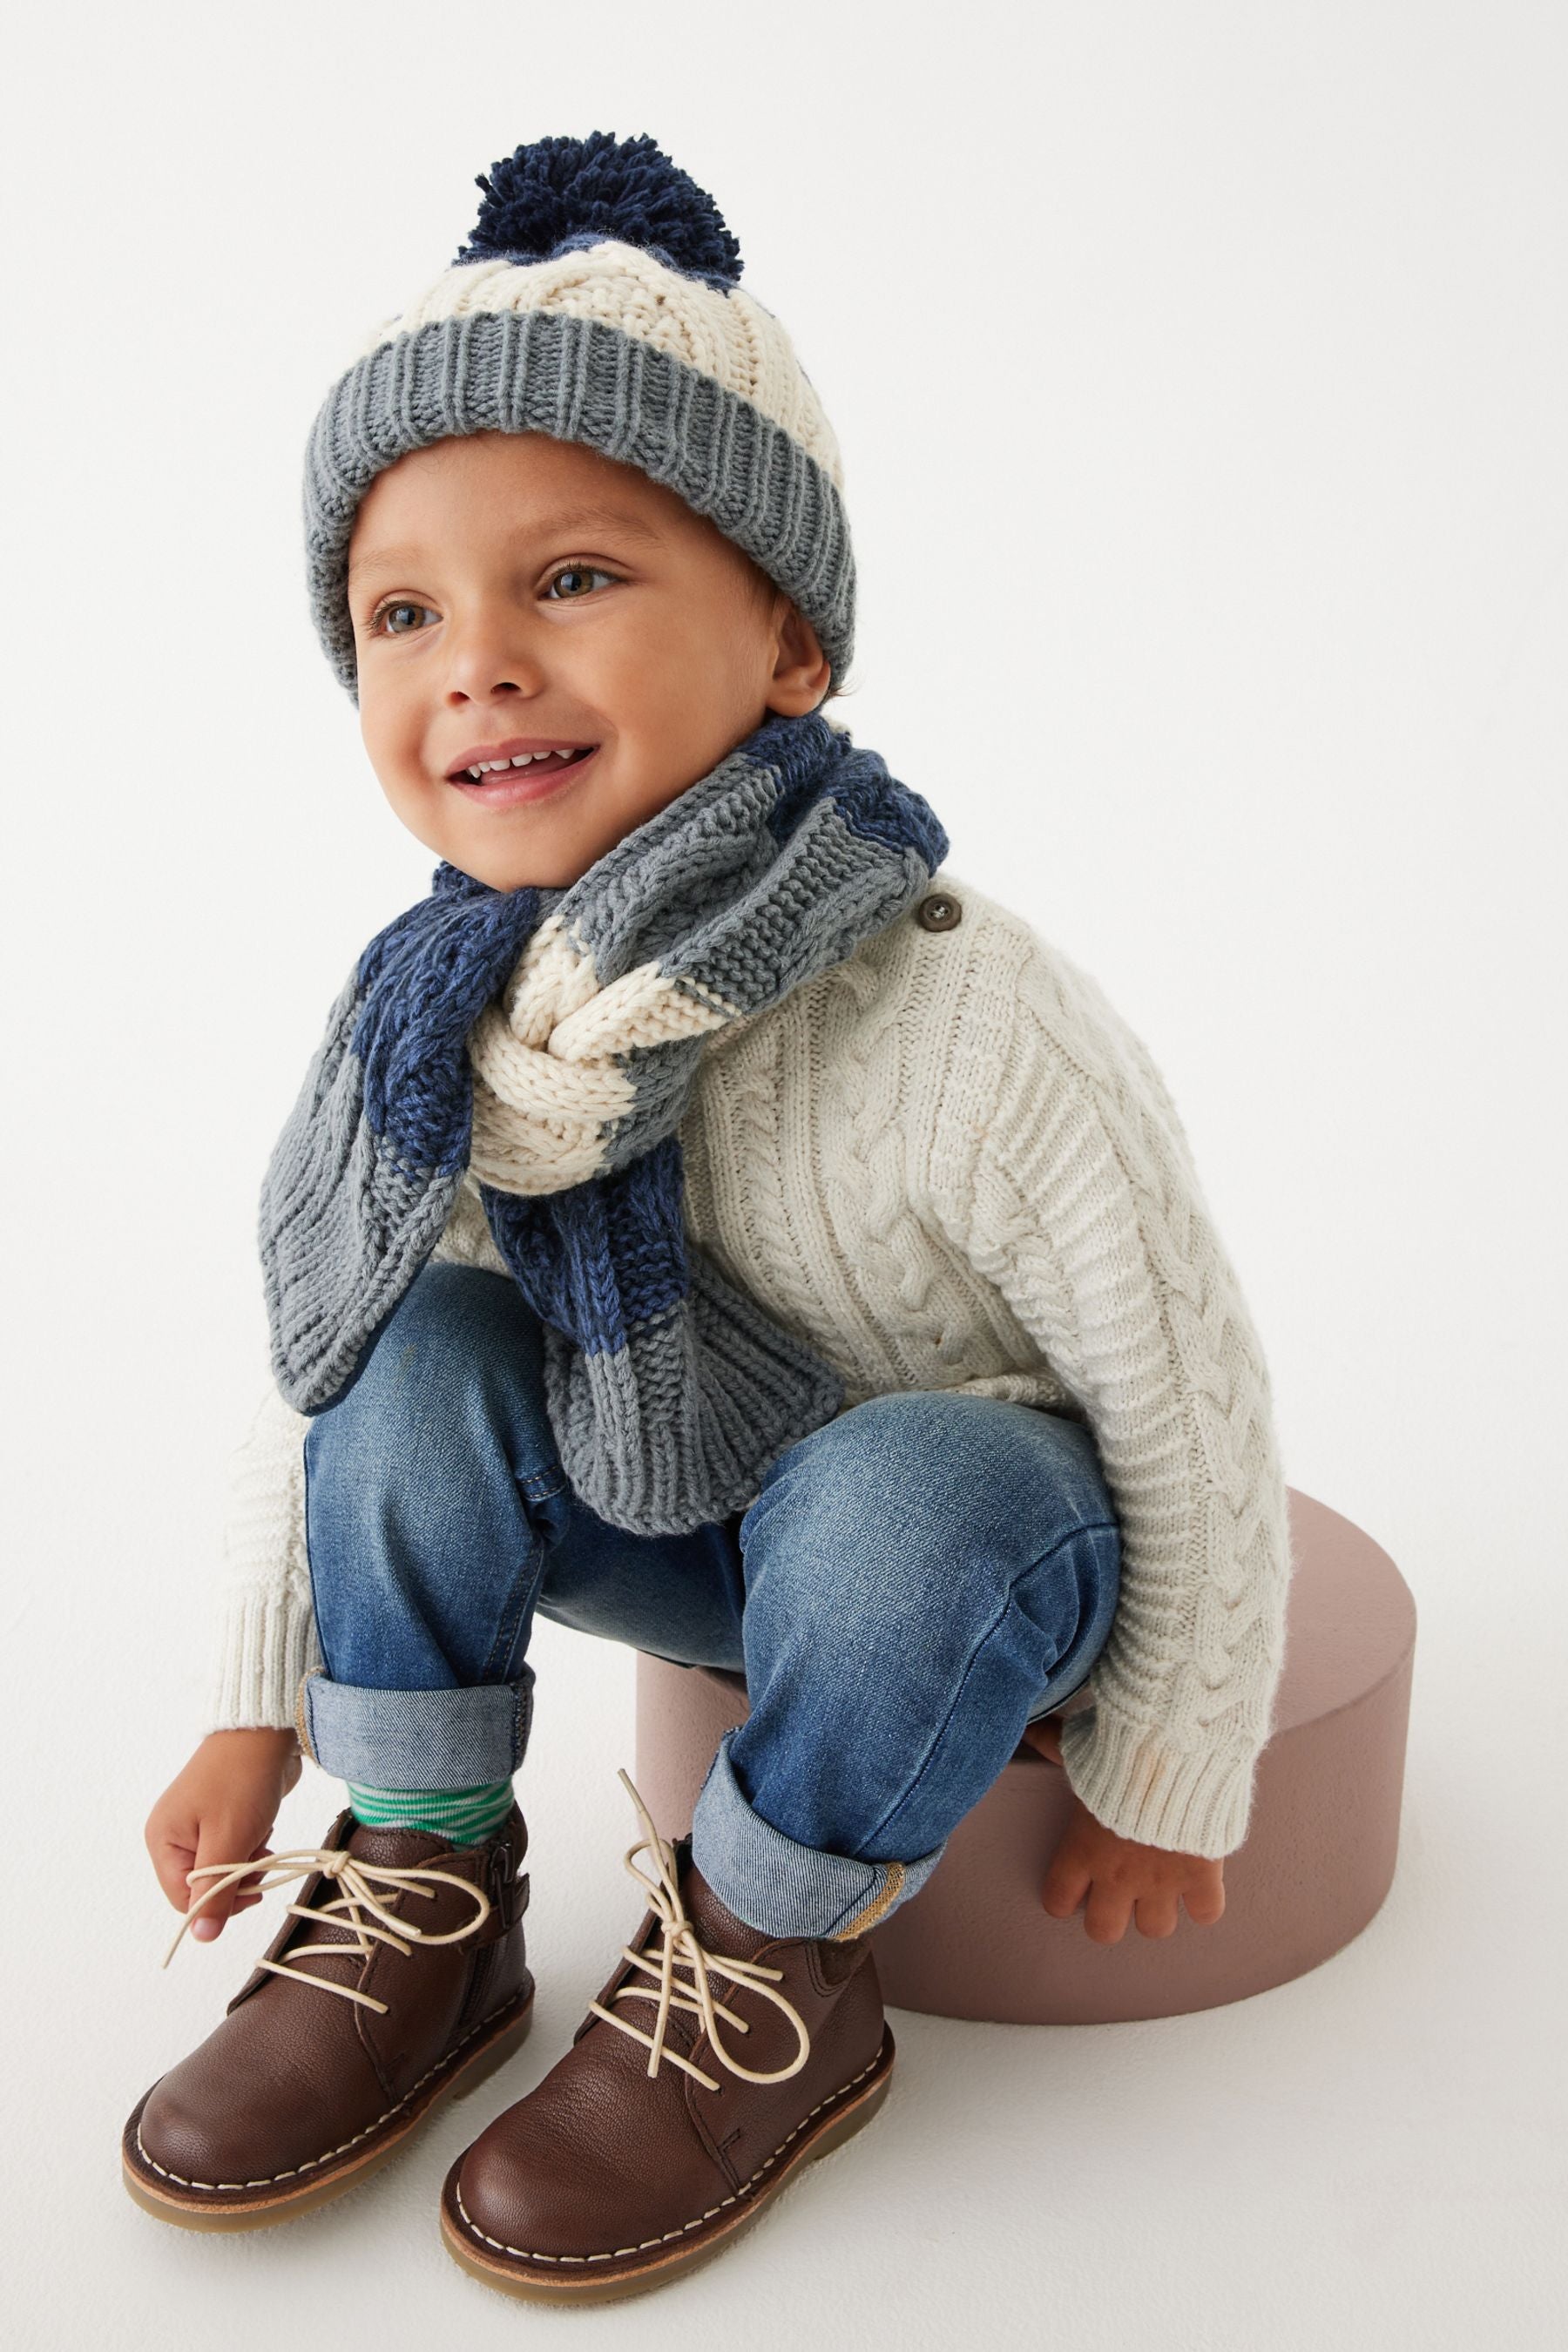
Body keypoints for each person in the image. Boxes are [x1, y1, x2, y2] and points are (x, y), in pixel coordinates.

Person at [123, 132, 1292, 2301]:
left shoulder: (957, 1007)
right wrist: (253, 1700)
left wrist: (1171, 1760)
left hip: (946, 1559)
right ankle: (426, 1892)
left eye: (572, 579)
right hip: (670, 1520)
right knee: (418, 1338)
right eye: (403, 613)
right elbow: (318, 1367)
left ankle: (767, 1962)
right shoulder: (448, 1024)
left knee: (914, 1481)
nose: (474, 664)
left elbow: (1188, 1391)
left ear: (789, 641)